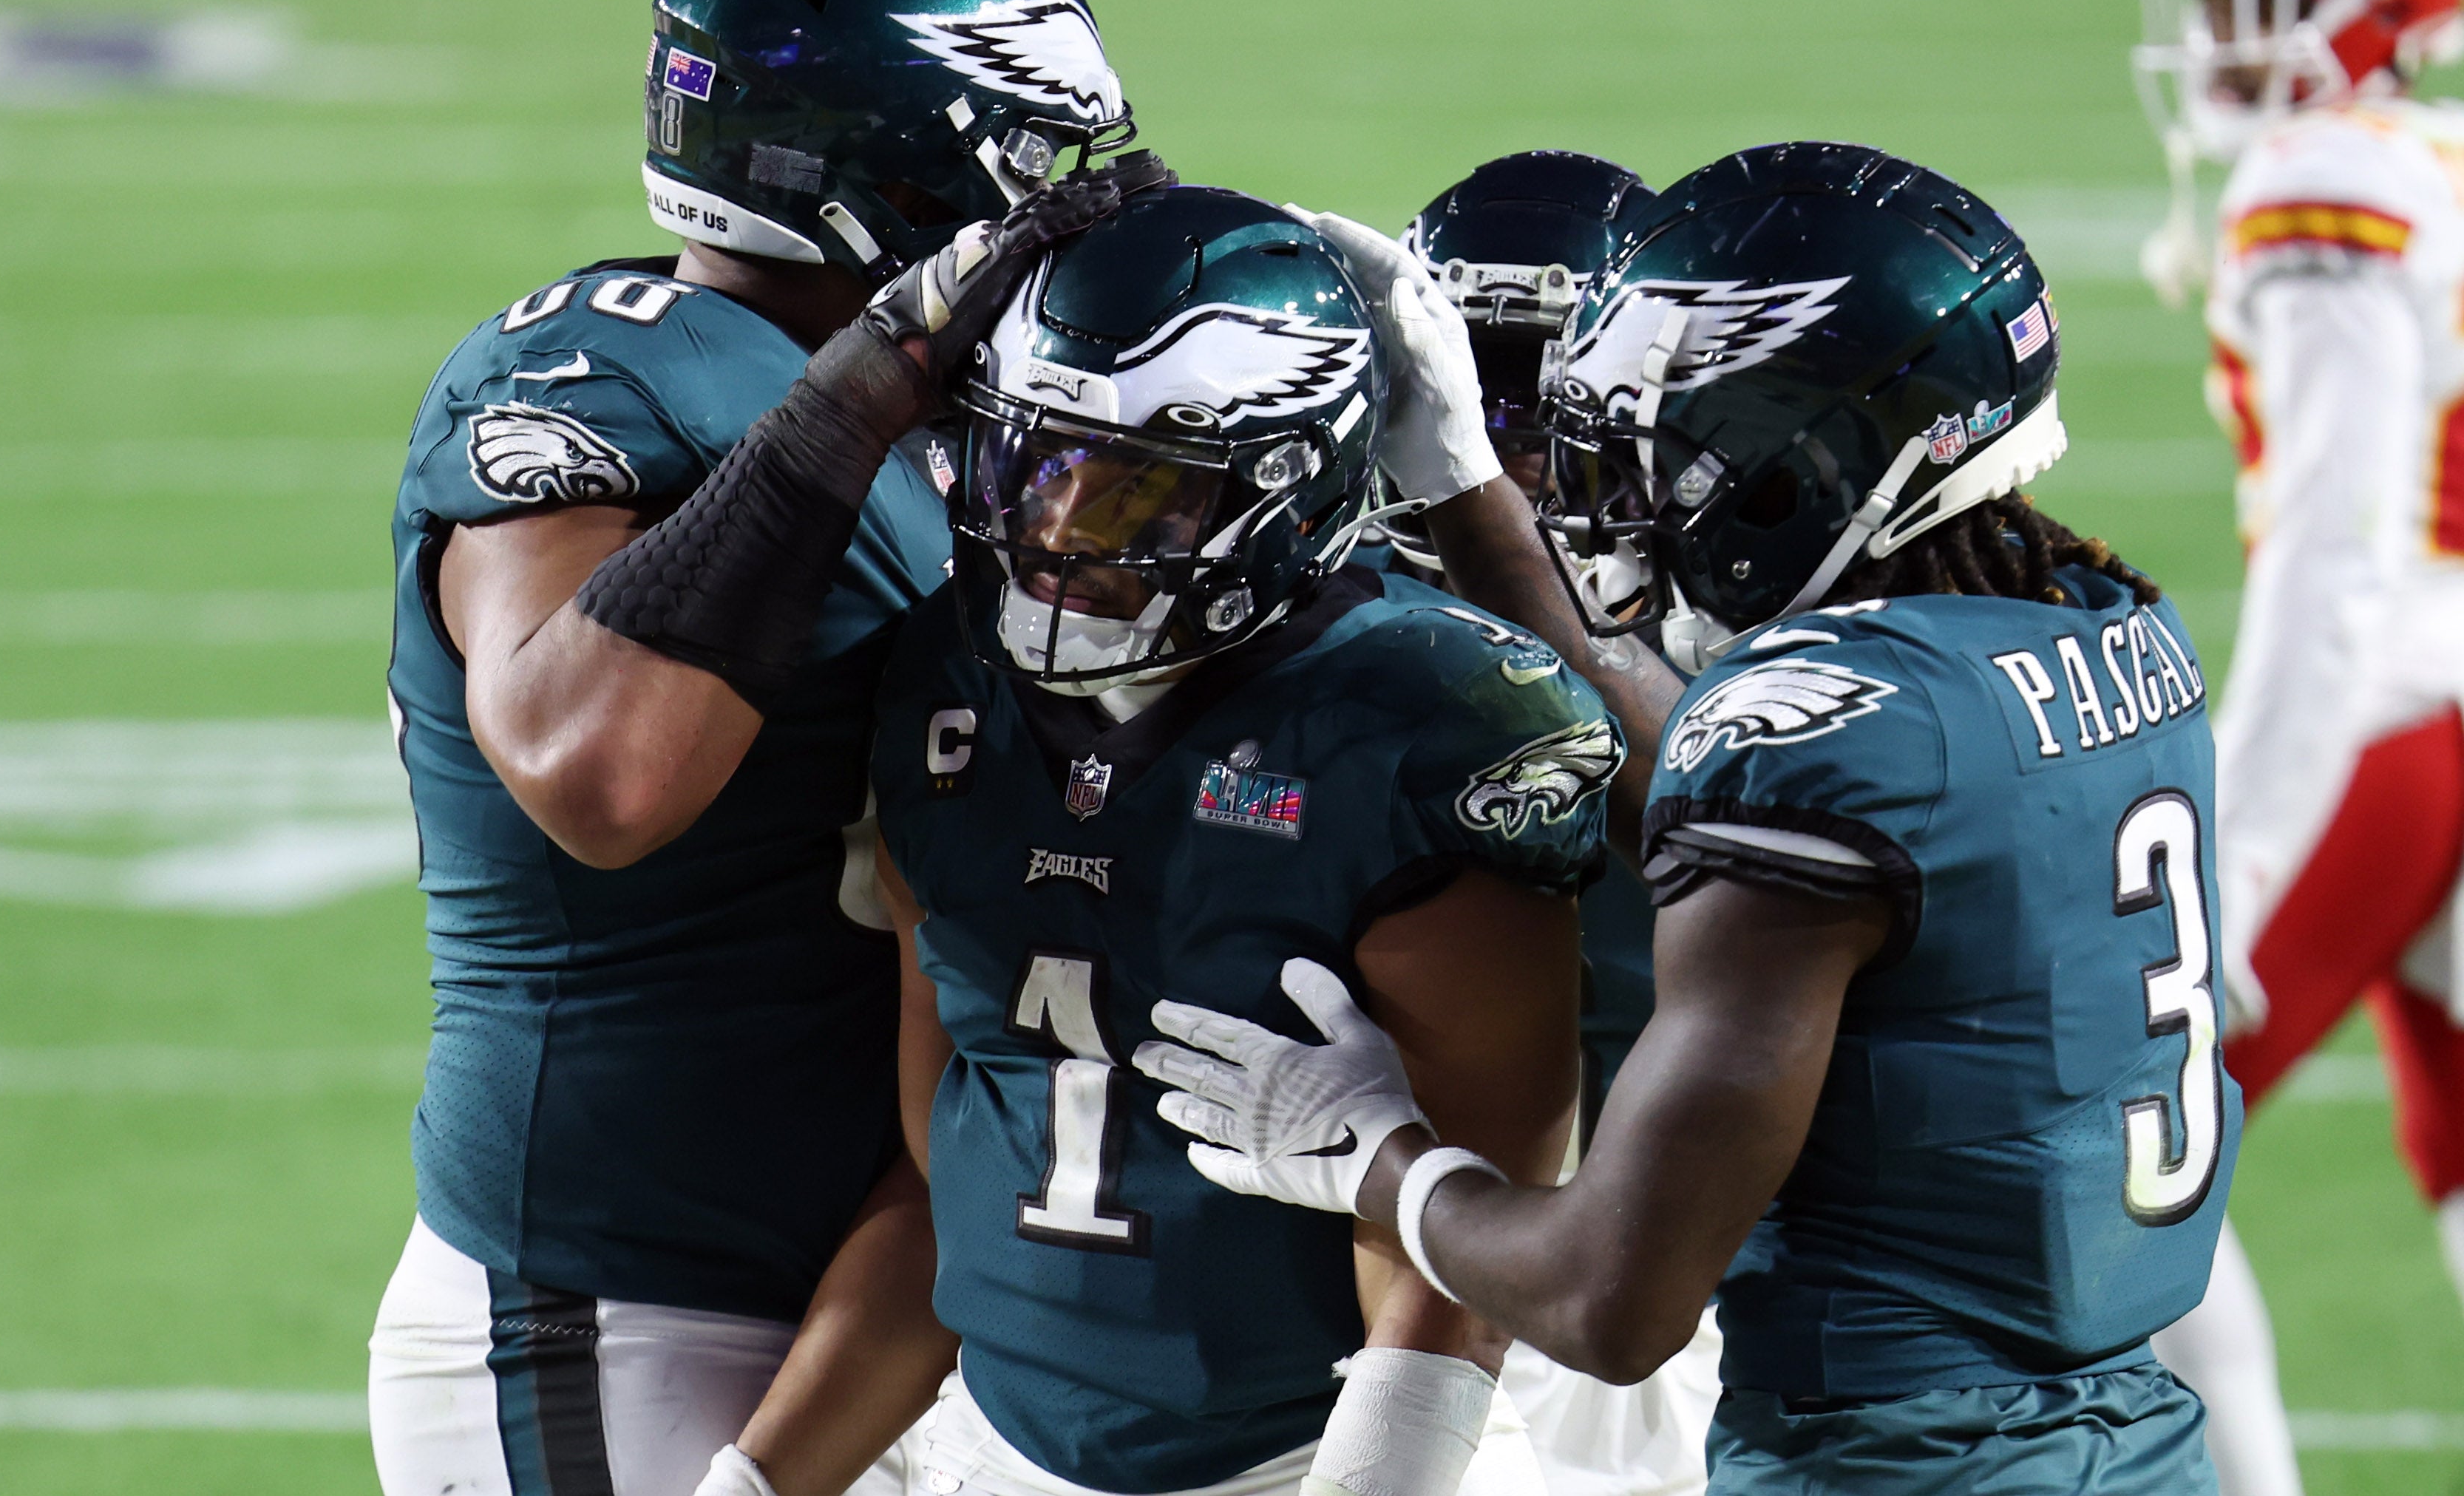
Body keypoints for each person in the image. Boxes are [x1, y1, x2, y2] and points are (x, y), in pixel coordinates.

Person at [1142, 143, 2237, 1493]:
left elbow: (1609, 1305)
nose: (1612, 509)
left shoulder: (1818, 740)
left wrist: (1380, 1159)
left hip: (1887, 1462)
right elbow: (1718, 812)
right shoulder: (2107, 629)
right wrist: (1466, 492)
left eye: (1658, 458)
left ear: (1805, 466)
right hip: (2129, 1438)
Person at [369, 0, 1145, 1496]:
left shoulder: (964, 420)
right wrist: (857, 395)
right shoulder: (609, 369)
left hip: (901, 1293)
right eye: (1033, 161)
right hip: (616, 1307)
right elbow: (595, 774)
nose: (1067, 209)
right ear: (899, 173)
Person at [726, 184, 1623, 1496]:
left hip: (1327, 1453)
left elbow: (1456, 1273)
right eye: (1036, 464)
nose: (1055, 534)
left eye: (1132, 491)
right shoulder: (944, 673)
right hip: (991, 1440)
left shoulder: (1424, 717)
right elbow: (960, 1159)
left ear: (1284, 487)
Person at [2134, 0, 2464, 1492]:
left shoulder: (2322, 181)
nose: (2215, 38)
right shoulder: (2424, 154)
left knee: (2115, 1144)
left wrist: (2242, 848)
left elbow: (2339, 556)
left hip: (2392, 713)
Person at [1386, 150, 1720, 1496]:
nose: (1502, 445)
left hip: (1643, 1276)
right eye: (1469, 392)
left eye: (1547, 401)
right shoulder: (1305, 593)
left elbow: (1686, 807)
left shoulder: (1738, 635)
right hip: (1355, 1247)